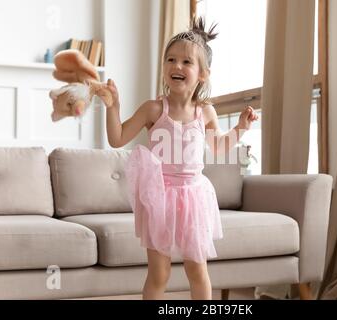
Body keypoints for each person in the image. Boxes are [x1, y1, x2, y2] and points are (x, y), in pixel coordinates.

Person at [101, 17, 258, 300]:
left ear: (202, 74)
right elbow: (117, 138)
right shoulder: (153, 109)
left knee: (197, 270)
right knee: (159, 273)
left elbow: (220, 147)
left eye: (186, 62)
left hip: (194, 197)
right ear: (164, 68)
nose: (177, 66)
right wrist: (113, 107)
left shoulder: (205, 112)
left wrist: (240, 129)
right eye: (171, 60)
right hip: (159, 196)